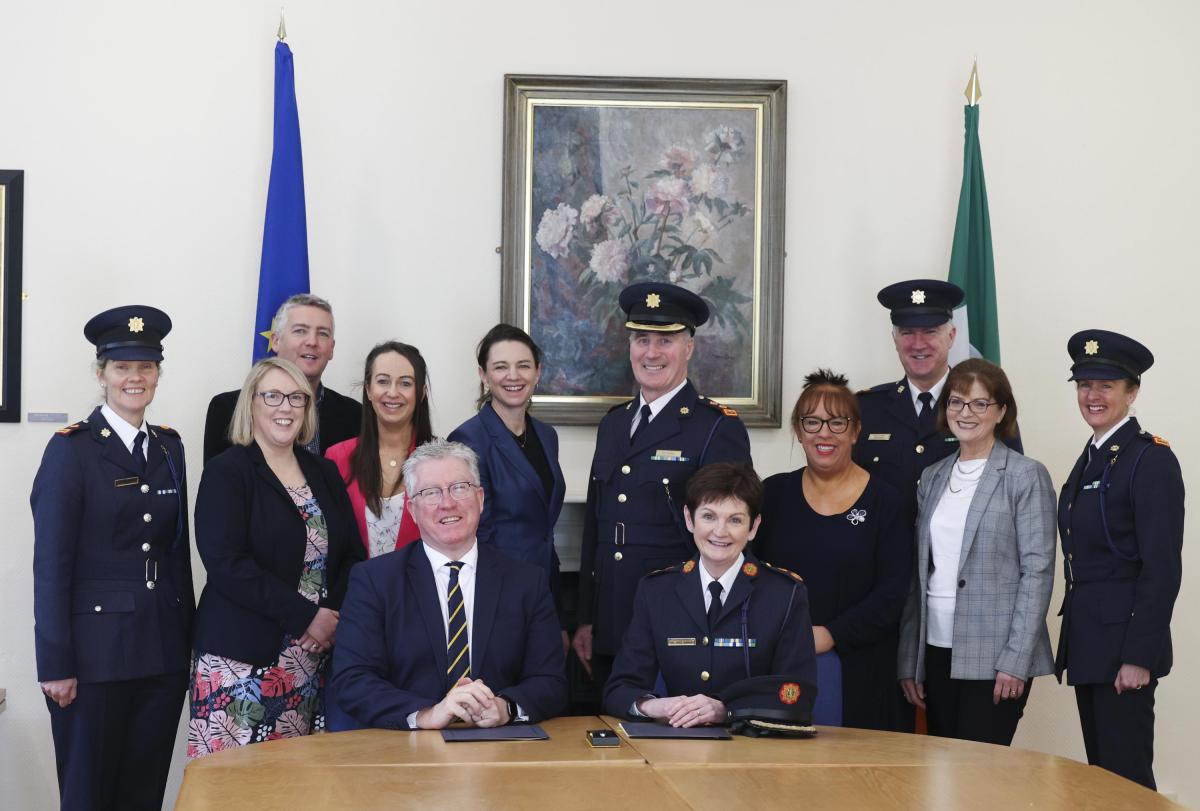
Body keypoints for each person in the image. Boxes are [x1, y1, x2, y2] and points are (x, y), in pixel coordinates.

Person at [31, 305, 194, 811]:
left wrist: (187, 643)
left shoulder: (169, 448)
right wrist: (54, 662)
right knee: (88, 796)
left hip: (161, 654)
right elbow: (51, 563)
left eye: (146, 367)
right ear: (101, 374)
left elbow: (176, 554)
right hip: (94, 658)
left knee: (143, 794)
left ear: (158, 375)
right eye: (123, 367)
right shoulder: (71, 452)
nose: (135, 378)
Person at [574, 282, 753, 689]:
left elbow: (728, 537)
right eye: (641, 339)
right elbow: (596, 526)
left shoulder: (716, 427)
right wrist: (587, 617)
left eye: (666, 341)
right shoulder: (614, 423)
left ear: (689, 347)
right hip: (612, 617)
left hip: (679, 620)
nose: (651, 353)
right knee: (611, 735)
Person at [188, 358, 364, 756]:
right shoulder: (227, 472)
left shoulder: (324, 472)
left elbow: (352, 555)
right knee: (233, 791)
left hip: (311, 659)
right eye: (273, 396)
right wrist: (307, 618)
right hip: (239, 664)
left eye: (297, 398)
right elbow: (226, 563)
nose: (285, 407)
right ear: (251, 404)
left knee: (295, 789)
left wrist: (329, 618)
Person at [328, 439, 568, 730]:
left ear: (480, 498)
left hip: (500, 750)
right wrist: (426, 714)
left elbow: (551, 681)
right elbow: (352, 679)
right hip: (405, 752)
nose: (447, 503)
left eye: (459, 487)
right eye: (431, 493)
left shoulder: (527, 581)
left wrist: (506, 708)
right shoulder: (375, 581)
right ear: (413, 510)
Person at [897, 359, 1056, 746]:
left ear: (1002, 411)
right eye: (956, 402)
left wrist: (1016, 661)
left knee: (981, 777)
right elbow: (920, 577)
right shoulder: (933, 476)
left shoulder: (1025, 475)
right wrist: (910, 659)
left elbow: (1038, 573)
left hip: (996, 655)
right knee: (941, 774)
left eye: (980, 404)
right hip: (935, 649)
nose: (966, 413)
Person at [1056, 330, 1183, 790]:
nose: (1092, 395)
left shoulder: (1149, 460)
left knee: (1127, 783)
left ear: (1132, 392)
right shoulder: (1093, 457)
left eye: (1106, 385)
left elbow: (1162, 568)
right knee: (1104, 782)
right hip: (1091, 646)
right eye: (1085, 384)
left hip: (1123, 652)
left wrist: (1138, 656)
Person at [754, 370, 912, 731]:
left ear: (856, 430)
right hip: (783, 662)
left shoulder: (887, 501)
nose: (823, 433)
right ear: (798, 429)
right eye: (812, 422)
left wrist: (832, 634)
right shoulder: (773, 494)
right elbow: (753, 575)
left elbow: (894, 592)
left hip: (865, 669)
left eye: (837, 422)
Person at [604, 463, 817, 726]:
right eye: (709, 516)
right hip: (677, 745)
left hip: (754, 750)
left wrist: (727, 711)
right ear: (689, 519)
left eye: (735, 520)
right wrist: (656, 705)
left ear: (754, 526)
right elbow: (619, 689)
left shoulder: (785, 594)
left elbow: (797, 695)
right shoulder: (656, 591)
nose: (720, 531)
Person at [853, 279, 1021, 518]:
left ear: (951, 336)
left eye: (930, 331)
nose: (918, 344)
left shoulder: (987, 406)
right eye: (907, 332)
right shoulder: (866, 409)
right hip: (886, 553)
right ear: (895, 339)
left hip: (961, 554)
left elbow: (1013, 489)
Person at [448, 324, 566, 614]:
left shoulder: (546, 435)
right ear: (484, 376)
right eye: (501, 367)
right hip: (498, 590)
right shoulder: (468, 439)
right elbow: (474, 533)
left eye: (523, 366)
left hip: (545, 584)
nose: (513, 376)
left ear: (537, 372)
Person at [203, 293, 361, 462]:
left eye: (322, 333)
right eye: (300, 331)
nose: (312, 342)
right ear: (276, 341)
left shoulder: (355, 415)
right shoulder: (227, 409)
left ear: (331, 348)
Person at [326, 342, 433, 558]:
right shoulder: (337, 457)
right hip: (354, 587)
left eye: (405, 383)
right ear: (368, 390)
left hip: (421, 587)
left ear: (421, 393)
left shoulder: (441, 460)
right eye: (383, 381)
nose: (392, 393)